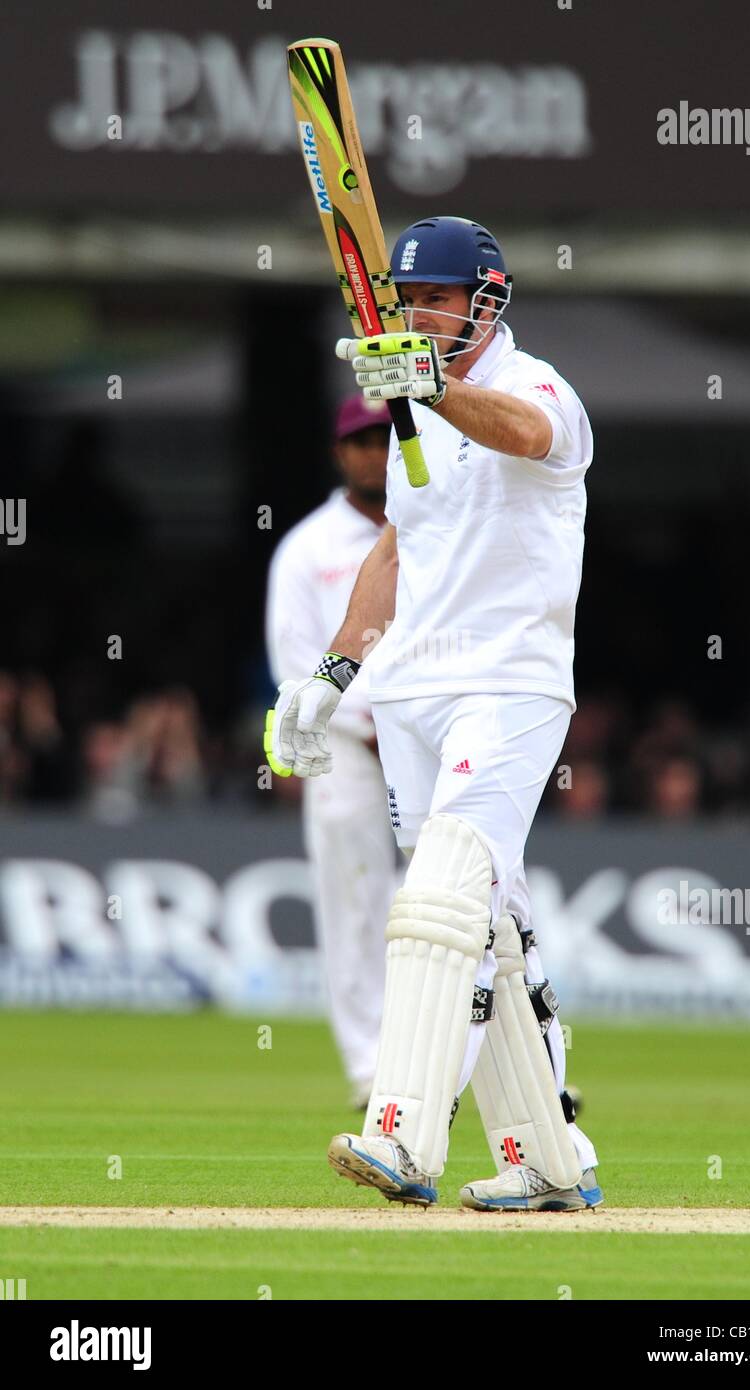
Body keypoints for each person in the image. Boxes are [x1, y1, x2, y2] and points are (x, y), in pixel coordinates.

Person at [265, 216, 601, 1211]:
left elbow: (530, 436)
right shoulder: (413, 419)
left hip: (507, 683)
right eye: (406, 301)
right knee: (490, 928)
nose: (417, 315)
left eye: (435, 299)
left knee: (442, 896)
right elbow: (395, 553)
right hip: (407, 690)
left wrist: (432, 389)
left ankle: (402, 1133)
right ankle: (544, 1153)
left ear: (485, 299)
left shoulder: (536, 387)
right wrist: (329, 674)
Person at [265, 397, 397, 1108]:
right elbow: (294, 661)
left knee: (471, 897)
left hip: (430, 736)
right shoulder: (307, 548)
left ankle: (502, 1058)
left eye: (386, 437)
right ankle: (371, 1073)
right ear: (339, 452)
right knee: (353, 904)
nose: (376, 452)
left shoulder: (435, 523)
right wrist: (366, 721)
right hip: (346, 749)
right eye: (362, 440)